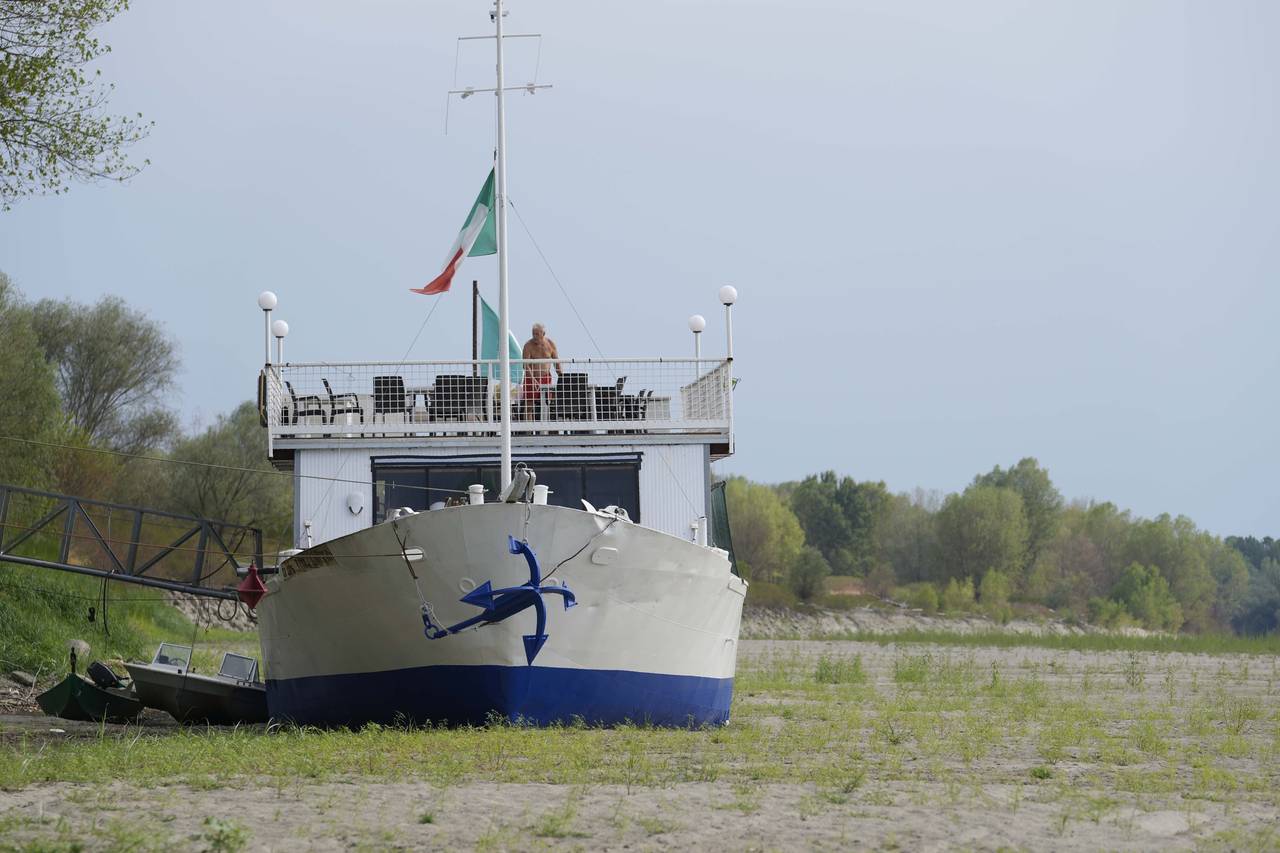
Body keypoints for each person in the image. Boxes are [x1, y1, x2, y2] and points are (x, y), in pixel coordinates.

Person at [519, 323, 561, 418]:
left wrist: (562, 376)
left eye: (537, 334)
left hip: (546, 377)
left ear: (543, 333)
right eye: (533, 334)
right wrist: (533, 380)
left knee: (547, 403)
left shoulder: (550, 344)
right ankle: (528, 430)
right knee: (529, 405)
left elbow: (556, 362)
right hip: (531, 378)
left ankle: (546, 428)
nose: (535, 336)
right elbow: (525, 365)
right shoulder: (528, 345)